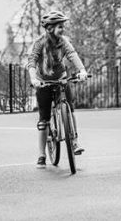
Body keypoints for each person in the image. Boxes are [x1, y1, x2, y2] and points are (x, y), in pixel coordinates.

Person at [27, 10, 89, 169]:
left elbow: (72, 54)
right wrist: (34, 79)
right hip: (43, 82)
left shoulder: (63, 41)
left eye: (63, 26)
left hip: (61, 78)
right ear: (49, 28)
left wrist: (81, 70)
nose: (62, 29)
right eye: (60, 27)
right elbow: (32, 61)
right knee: (44, 120)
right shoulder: (39, 43)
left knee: (70, 110)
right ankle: (41, 155)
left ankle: (74, 142)